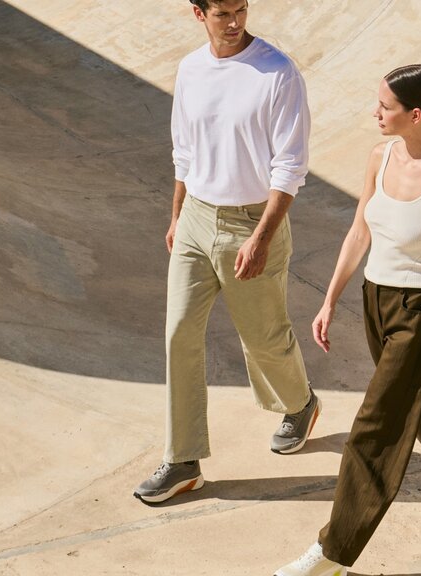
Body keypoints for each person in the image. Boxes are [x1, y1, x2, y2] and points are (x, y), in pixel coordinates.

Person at [275, 64, 421, 576]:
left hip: (419, 314)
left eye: (385, 106)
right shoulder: (379, 155)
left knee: (374, 429)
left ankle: (332, 553)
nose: (375, 113)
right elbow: (358, 232)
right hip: (375, 301)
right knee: (419, 409)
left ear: (415, 115)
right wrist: (329, 300)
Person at [136, 0, 319, 504]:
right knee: (178, 334)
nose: (235, 22)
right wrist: (177, 215)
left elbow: (290, 166)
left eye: (241, 9)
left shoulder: (277, 73)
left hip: (252, 222)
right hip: (196, 217)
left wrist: (261, 237)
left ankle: (300, 404)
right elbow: (184, 150)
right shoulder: (191, 69)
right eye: (222, 13)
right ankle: (183, 460)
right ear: (198, 13)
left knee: (263, 341)